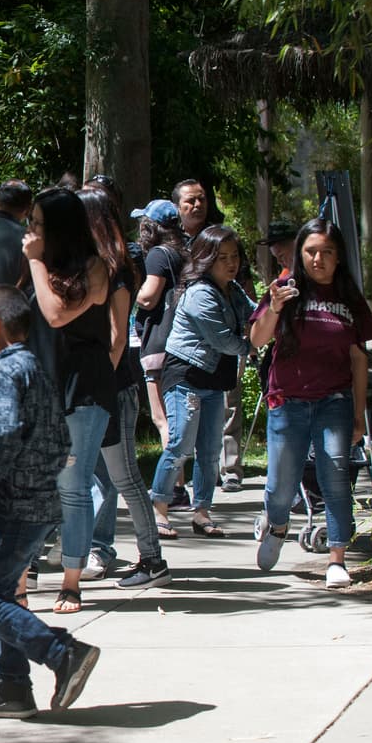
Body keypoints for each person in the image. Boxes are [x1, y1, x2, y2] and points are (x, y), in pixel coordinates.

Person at [0, 284, 100, 718]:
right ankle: (11, 688)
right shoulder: (35, 366)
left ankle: (62, 652)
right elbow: (59, 439)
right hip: (38, 502)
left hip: (10, 504)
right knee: (1, 594)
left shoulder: (4, 372)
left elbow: (4, 431)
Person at [250, 219, 372, 588]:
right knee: (280, 487)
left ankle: (337, 558)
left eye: (327, 252)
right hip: (288, 403)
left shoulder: (350, 299)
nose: (318, 259)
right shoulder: (284, 290)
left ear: (339, 258)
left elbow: (358, 360)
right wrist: (273, 307)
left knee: (335, 477)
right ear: (300, 253)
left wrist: (358, 416)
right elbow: (257, 340)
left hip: (333, 401)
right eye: (311, 251)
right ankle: (278, 524)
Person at [23, 187, 112, 613]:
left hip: (82, 388)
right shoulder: (34, 267)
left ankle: (71, 583)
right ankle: (19, 584)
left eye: (38, 223)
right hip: (40, 388)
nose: (31, 232)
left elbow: (56, 313)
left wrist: (36, 262)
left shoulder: (94, 268)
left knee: (73, 487)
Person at [77, 187, 171, 589]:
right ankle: (76, 554)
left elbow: (116, 338)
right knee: (79, 475)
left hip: (111, 388)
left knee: (125, 476)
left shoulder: (115, 267)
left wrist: (100, 385)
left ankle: (151, 559)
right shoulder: (87, 264)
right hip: (93, 388)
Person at [150, 226, 256, 538]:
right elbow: (224, 341)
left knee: (210, 450)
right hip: (186, 376)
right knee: (181, 443)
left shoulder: (233, 290)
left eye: (234, 256)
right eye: (222, 257)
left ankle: (202, 513)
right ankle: (159, 511)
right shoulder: (199, 293)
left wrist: (276, 303)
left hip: (214, 380)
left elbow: (256, 312)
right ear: (206, 259)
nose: (230, 262)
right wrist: (254, 345)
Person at [132, 200, 192, 522]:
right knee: (178, 417)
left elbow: (148, 296)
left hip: (158, 343)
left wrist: (130, 289)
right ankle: (180, 486)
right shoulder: (186, 253)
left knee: (162, 420)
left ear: (150, 226)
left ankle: (172, 490)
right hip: (183, 346)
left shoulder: (157, 255)